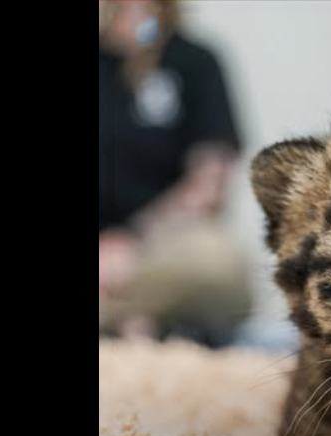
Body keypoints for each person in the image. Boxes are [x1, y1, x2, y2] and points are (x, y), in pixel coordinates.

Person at [99, 0, 251, 347]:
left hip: (162, 242)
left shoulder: (195, 61)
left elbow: (209, 186)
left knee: (217, 263)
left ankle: (121, 319)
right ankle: (141, 323)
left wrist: (131, 239)